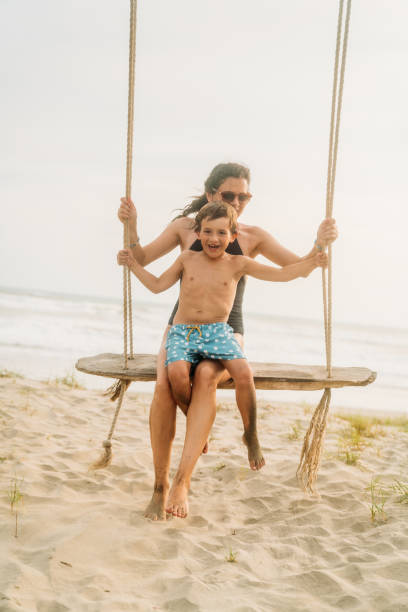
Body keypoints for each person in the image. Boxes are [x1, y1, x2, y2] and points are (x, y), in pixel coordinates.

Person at [118, 162, 338, 520]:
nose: (237, 201)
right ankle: (159, 486)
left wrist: (319, 243)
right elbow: (143, 260)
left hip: (225, 329)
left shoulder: (252, 236)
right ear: (210, 195)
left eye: (244, 196)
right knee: (164, 386)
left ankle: (182, 482)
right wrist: (131, 225)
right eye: (229, 195)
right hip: (181, 326)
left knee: (205, 377)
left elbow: (296, 267)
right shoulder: (185, 230)